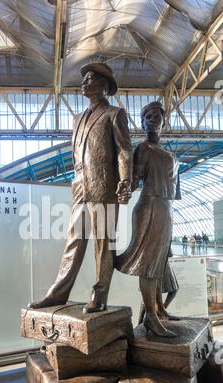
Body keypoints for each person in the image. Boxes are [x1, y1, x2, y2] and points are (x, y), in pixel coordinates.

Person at [28, 62, 133, 313]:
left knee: (104, 244)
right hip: (80, 189)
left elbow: (124, 152)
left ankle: (100, 294)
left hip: (106, 188)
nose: (84, 83)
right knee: (74, 242)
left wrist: (125, 180)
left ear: (104, 85)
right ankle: (58, 293)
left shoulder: (114, 114)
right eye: (84, 79)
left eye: (90, 79)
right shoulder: (77, 119)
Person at [116, 101, 180, 337]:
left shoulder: (172, 157)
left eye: (155, 117)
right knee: (148, 265)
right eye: (147, 118)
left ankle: (160, 309)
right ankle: (151, 317)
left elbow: (175, 193)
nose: (151, 120)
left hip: (166, 209)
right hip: (149, 207)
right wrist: (122, 188)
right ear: (142, 124)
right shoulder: (143, 148)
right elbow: (133, 181)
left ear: (164, 122)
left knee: (159, 262)